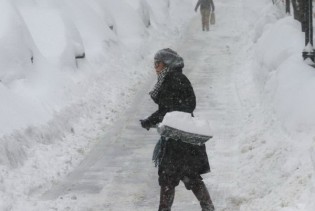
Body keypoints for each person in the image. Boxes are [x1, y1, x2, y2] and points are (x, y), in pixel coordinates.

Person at [140, 48, 215, 211]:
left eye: (158, 63)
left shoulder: (172, 80)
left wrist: (149, 121)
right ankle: (208, 207)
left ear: (166, 64)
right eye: (154, 64)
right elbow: (178, 106)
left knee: (170, 176)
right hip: (182, 136)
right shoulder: (177, 78)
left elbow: (166, 109)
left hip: (178, 138)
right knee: (188, 175)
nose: (155, 67)